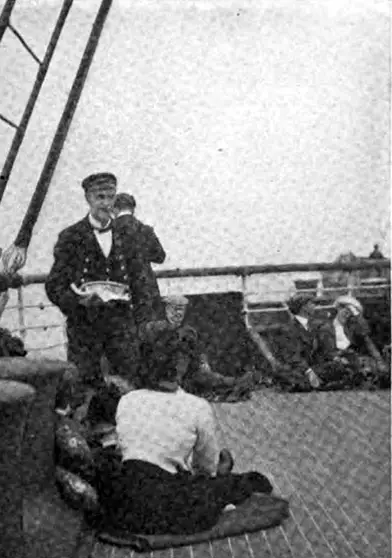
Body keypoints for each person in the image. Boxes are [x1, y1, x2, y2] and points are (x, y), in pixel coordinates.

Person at [95, 327, 273, 536]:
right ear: (182, 365)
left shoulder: (127, 400)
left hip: (124, 504)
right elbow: (205, 469)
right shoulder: (196, 406)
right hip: (168, 504)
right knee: (242, 481)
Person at [45, 173, 145, 408]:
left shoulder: (127, 235)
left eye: (111, 197)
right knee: (83, 394)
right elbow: (54, 285)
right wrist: (78, 301)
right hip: (85, 328)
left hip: (121, 327)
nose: (106, 204)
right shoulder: (71, 236)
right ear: (88, 198)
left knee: (130, 386)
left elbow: (140, 280)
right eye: (100, 197)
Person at [142, 295, 254, 401]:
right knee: (204, 383)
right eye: (174, 310)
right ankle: (233, 385)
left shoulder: (189, 332)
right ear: (166, 310)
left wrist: (203, 362)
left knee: (210, 379)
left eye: (181, 310)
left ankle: (237, 383)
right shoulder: (154, 329)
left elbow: (198, 351)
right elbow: (150, 353)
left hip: (190, 371)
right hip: (166, 372)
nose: (178, 313)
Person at [112, 192, 166, 325]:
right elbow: (160, 257)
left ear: (114, 209)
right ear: (133, 209)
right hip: (145, 288)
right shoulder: (145, 230)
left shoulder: (110, 231)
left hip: (119, 289)